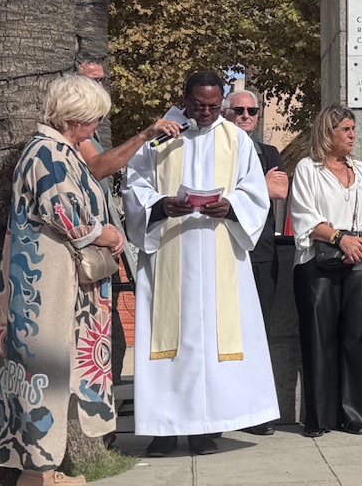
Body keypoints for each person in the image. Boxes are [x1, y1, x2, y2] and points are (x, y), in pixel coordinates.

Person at [0, 75, 126, 486]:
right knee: (43, 371)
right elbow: (62, 213)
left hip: (48, 276)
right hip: (43, 281)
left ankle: (43, 472)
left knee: (48, 370)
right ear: (78, 118)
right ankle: (37, 475)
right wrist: (105, 234)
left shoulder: (55, 151)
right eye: (94, 120)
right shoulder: (46, 152)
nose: (95, 128)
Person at [122, 69, 279, 457]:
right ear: (185, 98)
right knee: (169, 343)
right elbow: (133, 186)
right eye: (198, 105)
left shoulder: (237, 140)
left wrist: (231, 205)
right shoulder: (159, 136)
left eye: (214, 106)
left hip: (219, 250)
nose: (206, 113)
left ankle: (206, 429)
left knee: (211, 342)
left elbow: (255, 193)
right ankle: (163, 429)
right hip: (169, 252)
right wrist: (160, 206)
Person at [289, 105, 362, 437]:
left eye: (352, 129)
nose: (351, 135)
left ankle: (357, 415)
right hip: (317, 262)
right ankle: (320, 418)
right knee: (320, 339)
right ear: (327, 132)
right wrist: (340, 239)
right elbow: (304, 216)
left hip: (359, 259)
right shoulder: (308, 169)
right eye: (345, 129)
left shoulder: (360, 170)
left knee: (359, 339)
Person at [223, 87, 290, 436]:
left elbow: (278, 191)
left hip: (261, 253)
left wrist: (244, 191)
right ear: (225, 113)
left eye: (252, 111)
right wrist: (255, 188)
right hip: (223, 251)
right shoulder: (216, 149)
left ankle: (255, 411)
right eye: (239, 111)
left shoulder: (269, 151)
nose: (246, 116)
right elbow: (212, 194)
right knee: (223, 334)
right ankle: (222, 410)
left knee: (257, 332)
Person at [76, 59, 183, 180]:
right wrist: (144, 136)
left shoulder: (88, 123)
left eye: (102, 80)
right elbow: (97, 169)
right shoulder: (74, 123)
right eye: (94, 80)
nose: (100, 86)